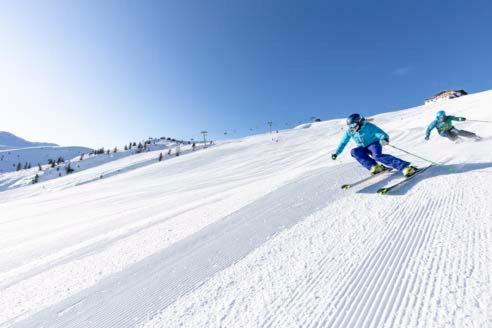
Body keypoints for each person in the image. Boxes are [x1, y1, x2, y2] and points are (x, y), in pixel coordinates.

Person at [331, 113, 416, 176]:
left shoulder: (368, 126)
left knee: (377, 156)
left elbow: (379, 133)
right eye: (350, 126)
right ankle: (375, 167)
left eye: (353, 125)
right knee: (354, 151)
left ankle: (406, 168)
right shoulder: (350, 131)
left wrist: (384, 138)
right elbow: (343, 142)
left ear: (359, 122)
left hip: (373, 144)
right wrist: (336, 153)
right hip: (363, 147)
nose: (352, 127)